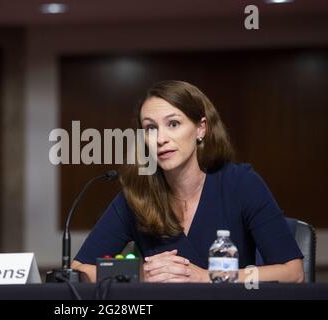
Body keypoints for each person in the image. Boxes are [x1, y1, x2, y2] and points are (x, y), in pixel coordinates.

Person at [72, 80, 304, 283]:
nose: (161, 139)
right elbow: (79, 269)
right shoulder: (137, 194)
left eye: (173, 124)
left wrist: (208, 276)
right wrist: (139, 274)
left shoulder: (241, 183)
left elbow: (292, 273)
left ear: (200, 128)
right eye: (151, 128)